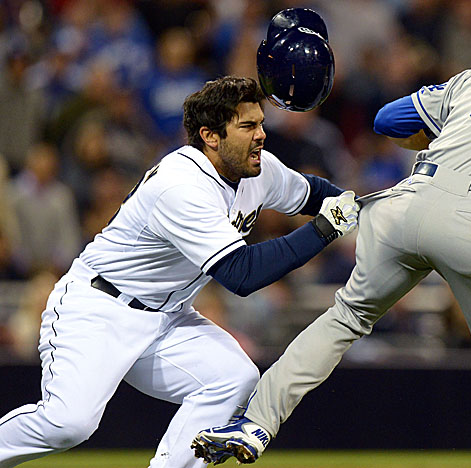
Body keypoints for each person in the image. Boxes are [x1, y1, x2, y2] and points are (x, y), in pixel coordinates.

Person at [192, 7, 471, 468]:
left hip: (409, 199)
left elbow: (388, 120)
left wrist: (449, 139)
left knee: (345, 317)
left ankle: (256, 422)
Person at [0, 76, 359, 468]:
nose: (261, 135)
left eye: (260, 124)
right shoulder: (181, 185)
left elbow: (315, 193)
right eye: (248, 126)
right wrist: (325, 229)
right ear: (210, 136)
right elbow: (242, 275)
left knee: (233, 377)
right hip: (99, 308)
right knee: (67, 424)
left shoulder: (259, 170)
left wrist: (371, 205)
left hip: (167, 317)